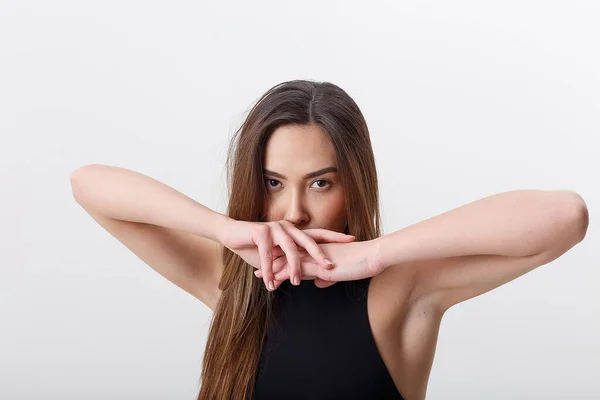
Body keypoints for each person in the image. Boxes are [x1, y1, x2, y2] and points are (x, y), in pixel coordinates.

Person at [70, 79, 588, 400]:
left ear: (352, 184)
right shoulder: (229, 282)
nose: (294, 211)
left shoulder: (404, 289)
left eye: (321, 183)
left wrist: (376, 252)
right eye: (273, 183)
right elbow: (88, 183)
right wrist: (225, 230)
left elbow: (564, 215)